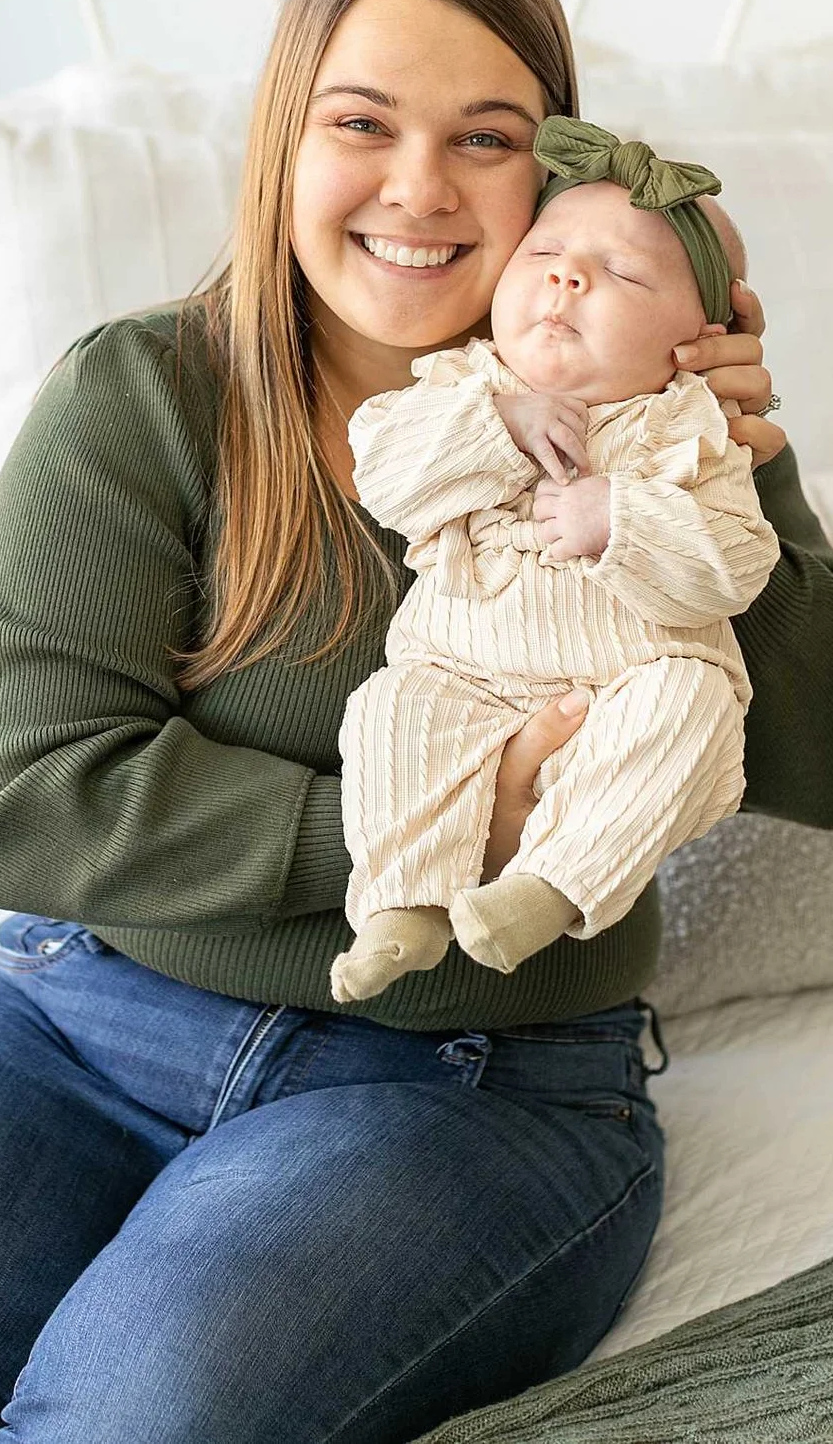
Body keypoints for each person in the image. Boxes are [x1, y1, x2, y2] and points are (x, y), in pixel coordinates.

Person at [0, 0, 833, 1444]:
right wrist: (425, 834)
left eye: (489, 138)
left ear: (564, 171)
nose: (419, 188)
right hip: (84, 1022)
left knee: (133, 1421)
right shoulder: (147, 397)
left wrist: (727, 463)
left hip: (471, 1085)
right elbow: (20, 794)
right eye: (363, 125)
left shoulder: (658, 425)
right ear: (284, 144)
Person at [331, 126, 775, 1001]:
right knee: (391, 713)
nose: (569, 278)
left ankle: (550, 890)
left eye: (626, 273)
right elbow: (384, 475)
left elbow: (738, 561)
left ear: (700, 337)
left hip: (625, 687)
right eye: (547, 253)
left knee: (694, 708)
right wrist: (496, 423)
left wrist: (626, 521)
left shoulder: (690, 429)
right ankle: (401, 905)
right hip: (462, 672)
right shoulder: (461, 385)